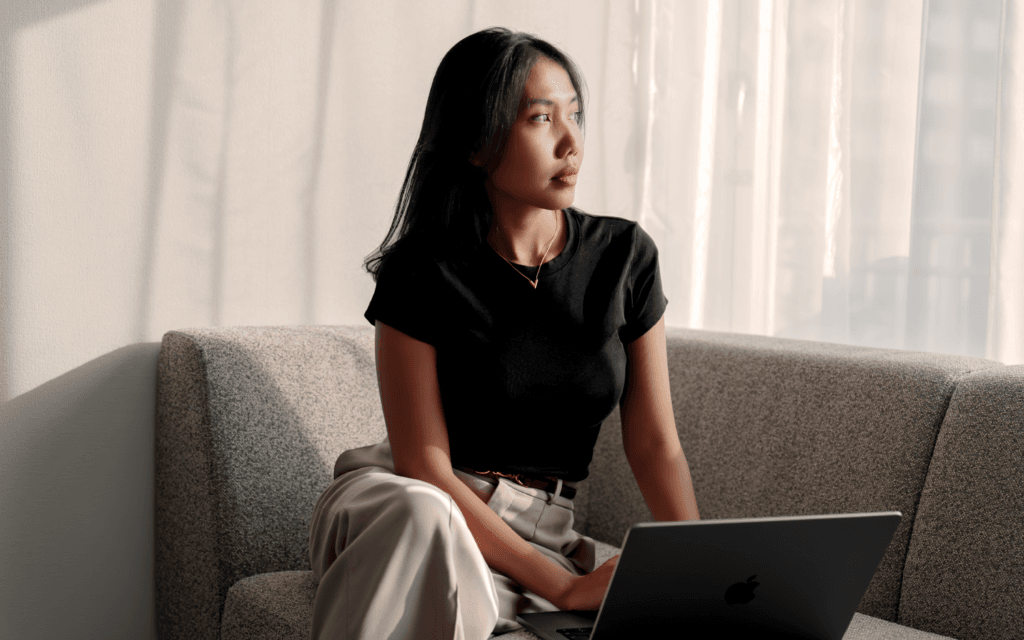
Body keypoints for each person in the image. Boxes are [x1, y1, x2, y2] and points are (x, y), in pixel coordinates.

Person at [307, 27, 700, 640]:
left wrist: (701, 572)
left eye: (575, 114)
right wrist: (563, 587)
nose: (571, 142)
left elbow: (655, 445)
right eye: (542, 119)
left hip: (538, 531)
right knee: (423, 515)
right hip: (405, 504)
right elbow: (424, 465)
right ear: (477, 144)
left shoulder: (624, 257)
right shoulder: (423, 271)